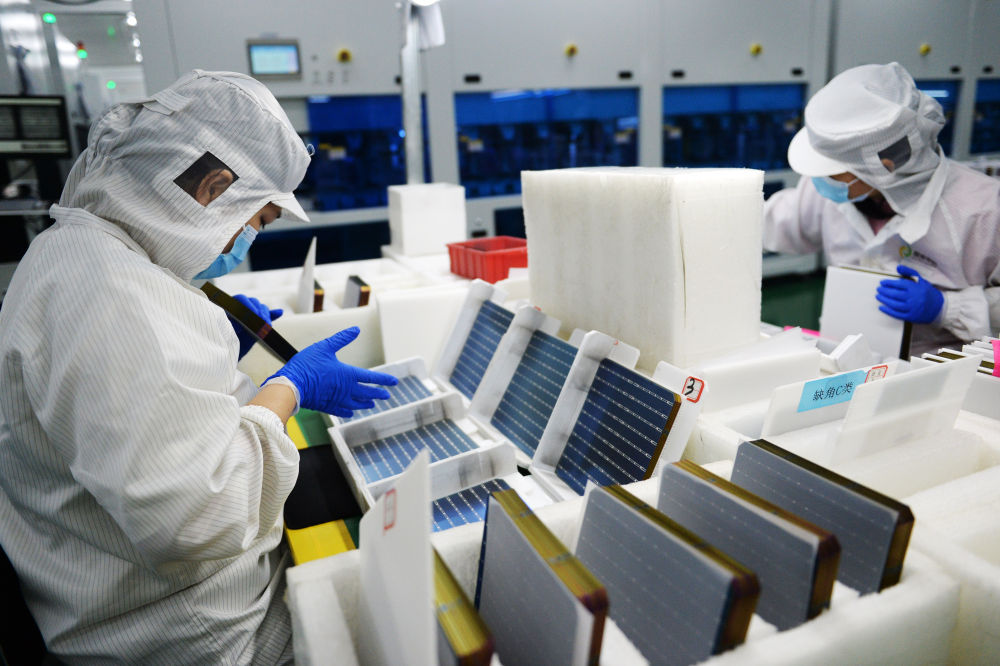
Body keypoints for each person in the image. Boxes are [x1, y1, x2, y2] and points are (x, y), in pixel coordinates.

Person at [0, 70, 398, 663]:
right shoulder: (112, 294)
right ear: (214, 187)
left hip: (149, 595)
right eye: (258, 221)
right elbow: (198, 519)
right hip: (198, 633)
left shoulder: (83, 252)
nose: (247, 240)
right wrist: (289, 389)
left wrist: (209, 349)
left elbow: (142, 408)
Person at [763, 62, 1000, 356]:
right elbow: (775, 223)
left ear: (883, 166)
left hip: (939, 364)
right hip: (847, 355)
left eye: (832, 171)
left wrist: (947, 308)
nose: (819, 180)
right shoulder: (834, 189)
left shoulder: (983, 209)